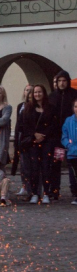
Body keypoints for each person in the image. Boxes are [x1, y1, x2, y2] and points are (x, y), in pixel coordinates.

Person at [19, 85, 59, 204]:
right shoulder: (28, 108)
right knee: (34, 168)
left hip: (47, 141)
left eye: (39, 92)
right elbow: (24, 125)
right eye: (35, 92)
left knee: (46, 168)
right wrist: (34, 135)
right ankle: (35, 193)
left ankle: (46, 193)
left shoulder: (51, 108)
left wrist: (43, 135)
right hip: (33, 142)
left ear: (44, 93)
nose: (37, 94)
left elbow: (54, 125)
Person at [48, 70, 77, 200]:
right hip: (56, 136)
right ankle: (55, 189)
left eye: (64, 80)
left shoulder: (74, 95)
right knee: (56, 162)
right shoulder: (52, 96)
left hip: (72, 135)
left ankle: (74, 190)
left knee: (72, 163)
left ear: (68, 81)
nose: (62, 83)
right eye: (59, 81)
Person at [11, 85, 34, 195]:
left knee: (30, 165)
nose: (28, 92)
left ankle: (32, 188)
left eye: (31, 90)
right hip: (21, 137)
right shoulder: (21, 106)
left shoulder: (34, 107)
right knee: (22, 165)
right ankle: (24, 186)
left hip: (30, 138)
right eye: (26, 90)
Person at [61, 98, 77, 205]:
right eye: (76, 106)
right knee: (74, 175)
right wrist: (68, 145)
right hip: (73, 153)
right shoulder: (68, 120)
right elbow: (64, 136)